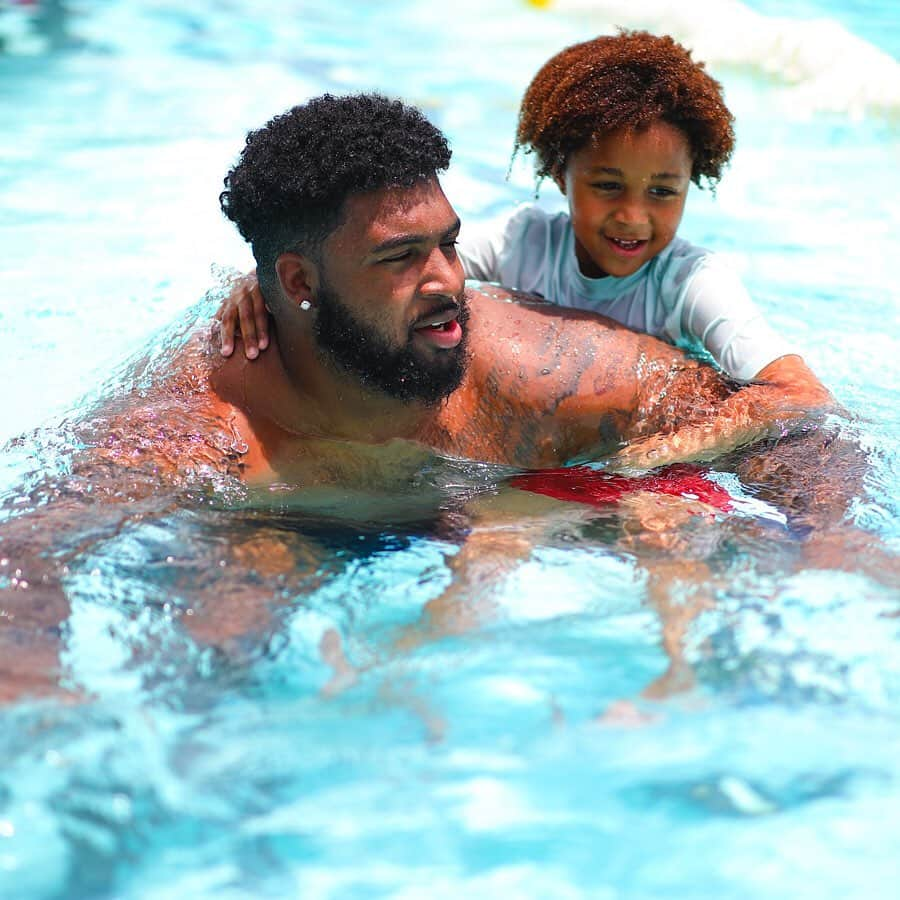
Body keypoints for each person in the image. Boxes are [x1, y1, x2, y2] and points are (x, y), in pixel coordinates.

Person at [0, 93, 841, 707]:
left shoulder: (538, 371)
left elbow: (795, 430)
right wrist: (35, 684)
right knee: (209, 676)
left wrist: (833, 544)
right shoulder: (199, 421)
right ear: (295, 282)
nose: (448, 283)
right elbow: (26, 545)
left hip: (493, 509)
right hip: (270, 525)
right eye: (402, 259)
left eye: (448, 244)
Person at [217, 31, 827, 443]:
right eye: (608, 186)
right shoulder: (524, 241)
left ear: (695, 183)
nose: (634, 217)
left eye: (663, 193)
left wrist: (667, 451)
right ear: (559, 173)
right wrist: (262, 284)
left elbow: (799, 394)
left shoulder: (696, 281)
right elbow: (389, 266)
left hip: (652, 445)